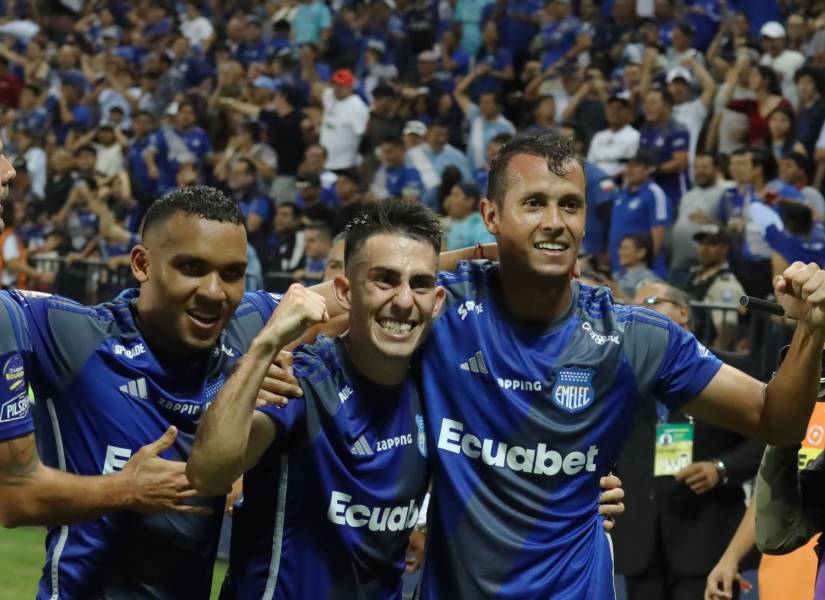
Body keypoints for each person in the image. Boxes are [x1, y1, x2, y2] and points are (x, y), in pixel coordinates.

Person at [413, 132, 825, 598]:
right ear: (491, 215)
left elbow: (777, 419)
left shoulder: (634, 335)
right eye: (533, 203)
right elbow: (337, 302)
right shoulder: (439, 306)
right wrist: (468, 256)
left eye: (570, 205)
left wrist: (812, 327)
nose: (554, 222)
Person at [190, 200, 625, 598]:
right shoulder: (304, 379)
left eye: (419, 284)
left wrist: (577, 493)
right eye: (384, 280)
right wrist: (265, 347)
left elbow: (505, 462)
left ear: (438, 301)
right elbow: (209, 474)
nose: (402, 301)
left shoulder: (439, 389)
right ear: (344, 292)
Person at [5, 185, 342, 599]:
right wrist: (124, 490)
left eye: (232, 273)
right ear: (142, 264)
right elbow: (11, 499)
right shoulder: (74, 336)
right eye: (191, 267)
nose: (214, 292)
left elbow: (369, 287)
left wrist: (445, 275)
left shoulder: (248, 329)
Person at [613, 281, 764, 600]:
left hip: (708, 541)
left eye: (651, 301)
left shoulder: (731, 369)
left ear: (683, 313)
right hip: (640, 543)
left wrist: (721, 468)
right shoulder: (619, 375)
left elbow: (767, 441)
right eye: (632, 305)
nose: (639, 310)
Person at [608, 151, 670, 277]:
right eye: (627, 166)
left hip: (644, 271)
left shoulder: (655, 193)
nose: (629, 170)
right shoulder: (622, 194)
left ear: (648, 169)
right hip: (619, 268)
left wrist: (649, 263)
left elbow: (659, 231)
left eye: (635, 166)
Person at [684, 225, 746, 349]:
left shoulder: (725, 285)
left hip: (701, 354)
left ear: (724, 249)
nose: (704, 249)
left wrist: (709, 363)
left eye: (712, 244)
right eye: (701, 243)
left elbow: (726, 333)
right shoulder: (695, 275)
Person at [638, 88, 691, 208]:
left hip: (674, 193)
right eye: (645, 103)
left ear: (667, 106)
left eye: (652, 103)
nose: (647, 107)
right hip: (650, 192)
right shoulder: (645, 129)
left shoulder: (677, 129)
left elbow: (681, 162)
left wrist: (655, 170)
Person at [317, 69, 370, 172]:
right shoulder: (330, 96)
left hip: (344, 165)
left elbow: (364, 136)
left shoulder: (357, 107)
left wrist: (359, 161)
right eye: (335, 85)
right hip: (325, 163)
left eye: (341, 86)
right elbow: (315, 85)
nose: (336, 88)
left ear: (350, 87)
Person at [443, 182, 495, 250]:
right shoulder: (454, 224)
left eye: (455, 195)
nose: (450, 200)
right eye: (450, 195)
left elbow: (486, 253)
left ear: (469, 201)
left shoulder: (481, 225)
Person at [615, 234, 659, 299]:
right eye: (620, 248)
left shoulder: (648, 279)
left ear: (641, 252)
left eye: (626, 248)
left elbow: (645, 307)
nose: (620, 252)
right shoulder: (616, 276)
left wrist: (616, 293)